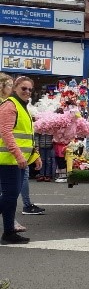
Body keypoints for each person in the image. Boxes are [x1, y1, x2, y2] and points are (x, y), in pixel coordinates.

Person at [0, 76, 42, 244]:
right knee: (10, 197)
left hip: (16, 160)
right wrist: (18, 155)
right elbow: (6, 133)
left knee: (10, 196)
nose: (27, 92)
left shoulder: (22, 106)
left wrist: (35, 156)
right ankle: (9, 233)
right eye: (24, 88)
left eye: (30, 90)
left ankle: (9, 232)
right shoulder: (10, 105)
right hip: (8, 160)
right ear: (15, 87)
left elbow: (26, 137)